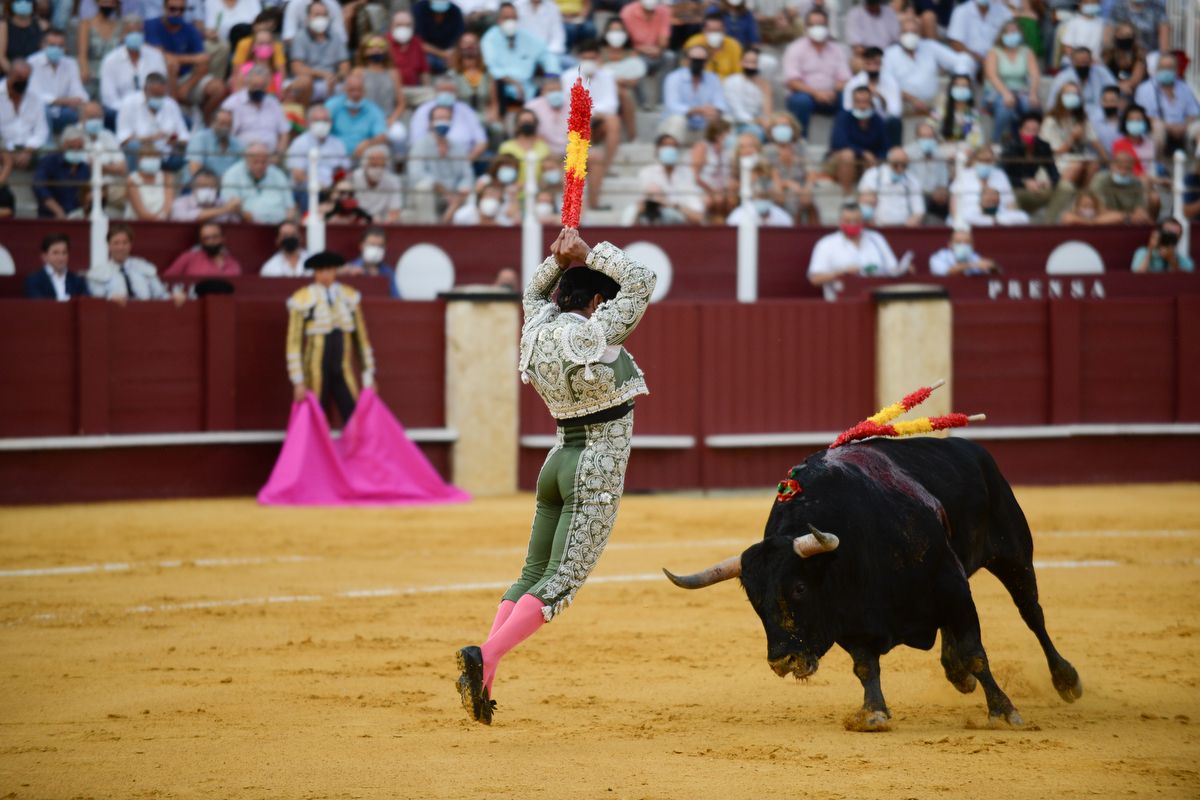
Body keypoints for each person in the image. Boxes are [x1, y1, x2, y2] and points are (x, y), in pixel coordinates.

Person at [455, 227, 655, 725]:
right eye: (598, 301)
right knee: (560, 580)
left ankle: (485, 677)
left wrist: (555, 258)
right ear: (591, 302)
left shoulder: (536, 329)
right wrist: (588, 253)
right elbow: (642, 282)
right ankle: (488, 655)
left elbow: (531, 293)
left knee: (531, 573)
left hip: (558, 460)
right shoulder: (590, 332)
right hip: (595, 468)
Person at [285, 250, 376, 426]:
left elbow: (362, 339)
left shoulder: (350, 296)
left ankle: (356, 453)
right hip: (314, 370)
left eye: (329, 270)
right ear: (315, 273)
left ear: (335, 271)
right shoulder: (302, 299)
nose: (325, 275)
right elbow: (293, 343)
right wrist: (298, 381)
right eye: (320, 271)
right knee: (313, 416)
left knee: (354, 414)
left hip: (342, 368)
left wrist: (368, 374)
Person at [146, 0, 224, 121]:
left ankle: (206, 120)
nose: (177, 13)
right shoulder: (152, 25)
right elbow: (159, 55)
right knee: (172, 65)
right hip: (158, 76)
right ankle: (173, 116)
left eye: (181, 10)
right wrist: (191, 59)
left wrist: (186, 87)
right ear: (164, 8)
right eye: (173, 9)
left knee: (218, 88)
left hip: (186, 78)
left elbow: (203, 60)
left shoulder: (190, 29)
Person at [882, 16, 970, 117]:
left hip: (932, 100)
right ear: (899, 34)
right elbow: (888, 84)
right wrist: (912, 99)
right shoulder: (890, 54)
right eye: (906, 32)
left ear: (920, 34)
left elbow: (959, 61)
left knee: (951, 100)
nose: (910, 35)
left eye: (914, 32)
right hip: (905, 102)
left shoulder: (930, 46)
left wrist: (959, 82)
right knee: (893, 106)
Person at [781, 7, 849, 137]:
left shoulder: (837, 49)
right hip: (805, 95)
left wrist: (832, 91)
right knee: (801, 101)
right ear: (806, 27)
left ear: (827, 26)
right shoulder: (795, 48)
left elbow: (845, 79)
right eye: (813, 25)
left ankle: (840, 145)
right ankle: (800, 143)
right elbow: (792, 81)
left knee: (848, 99)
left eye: (821, 24)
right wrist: (816, 93)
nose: (817, 28)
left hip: (831, 95)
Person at [480, 2, 559, 113]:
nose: (510, 21)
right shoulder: (489, 38)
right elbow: (492, 68)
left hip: (528, 87)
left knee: (550, 89)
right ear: (498, 20)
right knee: (496, 84)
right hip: (503, 86)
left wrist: (552, 78)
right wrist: (514, 83)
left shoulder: (527, 37)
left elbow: (547, 57)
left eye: (513, 18)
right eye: (506, 18)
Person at [807, 204, 901, 286]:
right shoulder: (826, 244)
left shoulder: (876, 238)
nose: (852, 224)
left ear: (862, 221)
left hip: (878, 294)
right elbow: (815, 279)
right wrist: (843, 273)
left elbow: (893, 268)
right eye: (848, 221)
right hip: (842, 299)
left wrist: (902, 269)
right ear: (840, 221)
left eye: (856, 221)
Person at [408, 102, 473, 220]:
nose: (443, 122)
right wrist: (443, 190)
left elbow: (467, 175)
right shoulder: (420, 146)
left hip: (455, 196)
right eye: (439, 118)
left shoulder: (458, 147)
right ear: (430, 122)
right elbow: (416, 174)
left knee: (471, 190)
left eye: (447, 118)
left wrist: (460, 192)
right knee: (424, 187)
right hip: (434, 194)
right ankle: (429, 229)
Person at [982, 19, 1040, 145]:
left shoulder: (1027, 51)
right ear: (1002, 35)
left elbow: (1035, 75)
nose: (1012, 34)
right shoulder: (994, 52)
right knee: (1006, 107)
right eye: (1008, 32)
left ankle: (1028, 142)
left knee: (1029, 105)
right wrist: (1006, 93)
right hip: (997, 91)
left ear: (1020, 34)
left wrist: (1033, 93)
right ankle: (995, 141)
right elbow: (992, 76)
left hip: (1021, 90)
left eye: (1015, 31)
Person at [1002, 111, 1068, 220]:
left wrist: (1049, 182)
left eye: (1035, 130)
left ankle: (1049, 225)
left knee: (1066, 188)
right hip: (1016, 189)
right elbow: (1002, 177)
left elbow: (1054, 173)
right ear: (1020, 131)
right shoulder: (1010, 147)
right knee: (1011, 197)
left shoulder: (1043, 146)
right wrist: (1024, 182)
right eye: (1028, 130)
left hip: (1036, 189)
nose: (1032, 134)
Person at [1133, 52, 1199, 157]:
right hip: (1159, 128)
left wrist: (1183, 126)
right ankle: (1156, 166)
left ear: (1176, 70)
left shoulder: (1184, 87)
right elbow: (1143, 115)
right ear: (1157, 68)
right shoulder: (1145, 89)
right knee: (1158, 129)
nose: (1166, 70)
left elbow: (1193, 113)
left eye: (1170, 67)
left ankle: (1196, 166)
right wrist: (1169, 127)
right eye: (1163, 67)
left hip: (1182, 127)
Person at [660, 42, 728, 142]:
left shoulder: (713, 79)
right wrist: (697, 110)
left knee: (725, 119)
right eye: (694, 60)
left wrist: (715, 111)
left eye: (701, 61)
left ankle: (719, 154)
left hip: (703, 128)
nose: (697, 63)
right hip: (675, 129)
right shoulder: (674, 78)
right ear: (686, 60)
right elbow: (672, 106)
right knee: (678, 119)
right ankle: (670, 153)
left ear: (706, 62)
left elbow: (720, 102)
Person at [87, 224, 175, 301]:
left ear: (130, 245)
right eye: (116, 243)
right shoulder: (97, 273)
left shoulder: (143, 267)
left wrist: (173, 297)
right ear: (109, 245)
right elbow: (97, 301)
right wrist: (110, 299)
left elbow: (160, 295)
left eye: (125, 243)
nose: (120, 247)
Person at [99, 17, 169, 112]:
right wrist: (132, 110)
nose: (135, 36)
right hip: (121, 111)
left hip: (153, 109)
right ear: (122, 35)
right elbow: (109, 99)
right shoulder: (110, 60)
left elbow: (163, 89)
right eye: (130, 32)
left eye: (138, 32)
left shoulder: (156, 56)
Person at [828, 85, 888, 195]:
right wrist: (863, 153)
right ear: (853, 103)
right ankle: (848, 197)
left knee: (876, 160)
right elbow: (839, 142)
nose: (862, 106)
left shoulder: (878, 121)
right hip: (841, 160)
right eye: (858, 102)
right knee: (848, 154)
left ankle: (870, 197)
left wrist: (876, 159)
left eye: (865, 102)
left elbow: (884, 147)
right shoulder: (843, 117)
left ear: (871, 103)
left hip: (867, 163)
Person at [289, 0, 350, 106]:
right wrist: (322, 74)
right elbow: (297, 68)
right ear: (308, 17)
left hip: (332, 80)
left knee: (354, 83)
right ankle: (303, 118)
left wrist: (336, 77)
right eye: (317, 15)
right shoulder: (300, 37)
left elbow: (345, 65)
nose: (321, 18)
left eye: (324, 15)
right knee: (305, 82)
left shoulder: (335, 37)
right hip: (312, 80)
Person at [28, 27, 87, 134]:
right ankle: (47, 147)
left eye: (60, 46)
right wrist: (66, 101)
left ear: (65, 47)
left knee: (86, 109)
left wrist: (78, 100)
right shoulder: (32, 63)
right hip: (38, 113)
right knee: (42, 110)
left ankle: (80, 145)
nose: (56, 49)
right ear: (43, 45)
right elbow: (35, 96)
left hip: (64, 111)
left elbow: (79, 92)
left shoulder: (71, 63)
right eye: (52, 45)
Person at [220, 141, 295, 224]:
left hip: (279, 226)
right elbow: (231, 206)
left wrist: (287, 223)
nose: (260, 166)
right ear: (246, 160)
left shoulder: (278, 174)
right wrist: (252, 219)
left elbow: (290, 207)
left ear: (269, 160)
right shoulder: (232, 174)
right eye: (255, 162)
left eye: (263, 162)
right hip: (248, 226)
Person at [637, 133, 704, 224]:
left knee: (670, 214)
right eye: (666, 145)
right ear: (657, 149)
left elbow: (697, 214)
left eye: (673, 146)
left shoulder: (687, 174)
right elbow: (643, 205)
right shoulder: (647, 173)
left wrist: (671, 205)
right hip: (653, 219)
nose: (670, 149)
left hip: (681, 222)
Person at [840, 45, 900, 146]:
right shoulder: (853, 84)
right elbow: (847, 109)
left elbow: (895, 112)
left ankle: (893, 154)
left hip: (882, 123)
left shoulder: (891, 82)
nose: (872, 67)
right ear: (864, 64)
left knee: (894, 122)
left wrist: (880, 98)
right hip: (859, 122)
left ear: (881, 64)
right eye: (869, 63)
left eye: (876, 63)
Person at [222, 65, 289, 151]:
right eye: (255, 86)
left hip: (270, 157)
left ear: (267, 86)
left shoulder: (273, 103)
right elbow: (225, 135)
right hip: (241, 156)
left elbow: (284, 133)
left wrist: (278, 156)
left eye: (261, 87)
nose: (258, 90)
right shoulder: (233, 103)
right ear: (247, 83)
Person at [285, 104, 350, 194]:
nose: (322, 124)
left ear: (331, 122)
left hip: (332, 189)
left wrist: (334, 187)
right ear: (308, 123)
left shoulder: (338, 143)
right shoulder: (299, 143)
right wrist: (319, 186)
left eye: (325, 120)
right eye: (317, 120)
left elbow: (344, 169)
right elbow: (298, 175)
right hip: (306, 190)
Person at [858, 146, 924, 226]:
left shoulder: (912, 180)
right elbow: (864, 203)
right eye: (896, 164)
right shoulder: (873, 175)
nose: (900, 168)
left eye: (904, 165)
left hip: (904, 229)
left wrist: (909, 226)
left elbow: (918, 211)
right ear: (888, 161)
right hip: (878, 226)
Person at [0, 59, 49, 168]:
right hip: (3, 149)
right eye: (19, 78)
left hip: (30, 149)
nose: (22, 82)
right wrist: (7, 152)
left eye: (26, 79)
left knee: (51, 157)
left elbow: (41, 131)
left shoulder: (35, 98)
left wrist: (28, 151)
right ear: (9, 74)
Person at [33, 125, 89, 218]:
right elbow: (39, 187)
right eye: (71, 147)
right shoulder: (49, 161)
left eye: (79, 148)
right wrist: (57, 210)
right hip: (50, 217)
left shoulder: (84, 167)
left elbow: (86, 195)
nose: (75, 151)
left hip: (76, 217)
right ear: (63, 146)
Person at [950, 145, 1016, 221]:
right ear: (974, 160)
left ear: (993, 161)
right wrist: (959, 224)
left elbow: (1010, 203)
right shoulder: (964, 175)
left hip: (998, 220)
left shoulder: (1000, 175)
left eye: (988, 161)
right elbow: (953, 205)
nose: (985, 163)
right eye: (981, 160)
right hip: (969, 220)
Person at [1088, 150, 1153, 224]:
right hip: (1104, 219)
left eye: (1127, 168)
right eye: (1120, 167)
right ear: (1112, 166)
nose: (1124, 172)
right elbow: (1101, 211)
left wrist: (1140, 216)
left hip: (1128, 220)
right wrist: (1126, 217)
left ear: (1132, 168)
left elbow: (1140, 209)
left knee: (1146, 218)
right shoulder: (1100, 180)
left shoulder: (1136, 184)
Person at [906, 122, 950, 223]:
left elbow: (943, 181)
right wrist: (929, 193)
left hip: (937, 195)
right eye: (924, 137)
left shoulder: (939, 154)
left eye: (930, 137)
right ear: (917, 137)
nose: (927, 140)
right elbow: (908, 181)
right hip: (917, 193)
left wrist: (941, 191)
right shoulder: (908, 153)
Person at [1047, 47, 1115, 112]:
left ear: (1091, 60)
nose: (1082, 65)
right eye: (1079, 62)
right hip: (1073, 115)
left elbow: (1115, 89)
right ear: (1073, 62)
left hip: (1100, 115)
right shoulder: (1062, 78)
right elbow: (1052, 103)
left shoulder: (1101, 72)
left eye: (1085, 62)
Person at [24, 233, 89, 300]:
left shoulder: (77, 280)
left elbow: (87, 303)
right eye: (55, 253)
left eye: (64, 252)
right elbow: (38, 305)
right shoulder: (34, 280)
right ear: (44, 256)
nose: (61, 257)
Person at [163, 222, 242, 276]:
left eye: (215, 237)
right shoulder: (188, 257)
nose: (211, 241)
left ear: (222, 238)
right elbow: (167, 279)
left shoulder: (233, 264)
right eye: (206, 238)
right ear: (201, 242)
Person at [947, 0, 1012, 66]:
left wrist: (992, 59)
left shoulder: (1003, 11)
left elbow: (1012, 33)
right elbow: (955, 43)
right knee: (963, 61)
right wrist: (980, 59)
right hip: (971, 58)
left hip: (997, 58)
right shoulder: (961, 11)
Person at [691, 117, 731, 221]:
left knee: (730, 200)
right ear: (718, 135)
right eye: (728, 133)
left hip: (721, 190)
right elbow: (695, 176)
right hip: (701, 189)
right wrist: (712, 191)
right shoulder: (702, 147)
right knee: (712, 200)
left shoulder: (726, 151)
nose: (730, 136)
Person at [186, 107, 245, 178]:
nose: (226, 128)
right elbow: (195, 170)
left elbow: (243, 170)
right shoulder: (200, 138)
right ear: (213, 123)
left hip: (229, 186)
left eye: (229, 125)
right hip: (199, 185)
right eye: (222, 124)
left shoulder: (237, 144)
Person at [351, 144, 403, 223]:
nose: (377, 169)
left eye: (381, 166)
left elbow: (395, 212)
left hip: (382, 223)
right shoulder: (354, 178)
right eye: (373, 165)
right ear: (364, 165)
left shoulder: (393, 181)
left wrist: (381, 224)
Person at [342, 226, 398, 297]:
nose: (376, 249)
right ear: (361, 246)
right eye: (372, 245)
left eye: (380, 246)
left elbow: (397, 300)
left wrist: (378, 279)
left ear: (385, 248)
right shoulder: (349, 269)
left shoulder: (388, 272)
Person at [170, 166, 241, 221]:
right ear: (193, 187)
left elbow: (236, 221)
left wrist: (238, 211)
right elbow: (185, 217)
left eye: (211, 187)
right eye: (202, 186)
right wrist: (224, 210)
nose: (207, 190)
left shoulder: (222, 202)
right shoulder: (181, 202)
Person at [682, 12, 742, 78]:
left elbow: (738, 73)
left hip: (726, 85)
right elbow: (685, 70)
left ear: (724, 30)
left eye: (718, 30)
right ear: (704, 30)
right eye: (710, 30)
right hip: (701, 84)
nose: (714, 33)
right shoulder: (694, 43)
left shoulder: (733, 45)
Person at [125, 142, 175, 220]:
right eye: (148, 157)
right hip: (138, 225)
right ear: (139, 161)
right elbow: (141, 213)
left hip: (162, 225)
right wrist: (158, 219)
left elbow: (168, 207)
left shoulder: (167, 177)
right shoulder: (132, 180)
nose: (152, 160)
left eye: (154, 157)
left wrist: (160, 219)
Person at [413, 0, 465, 74]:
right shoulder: (419, 9)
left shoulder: (456, 11)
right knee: (428, 61)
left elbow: (460, 38)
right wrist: (442, 54)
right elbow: (417, 41)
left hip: (450, 53)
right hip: (427, 53)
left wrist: (453, 54)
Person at [934, 73, 983, 150]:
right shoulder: (942, 109)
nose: (961, 89)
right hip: (944, 147)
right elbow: (930, 126)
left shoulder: (971, 113)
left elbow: (975, 135)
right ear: (951, 88)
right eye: (958, 86)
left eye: (964, 86)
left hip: (965, 148)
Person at [928, 226, 998, 276]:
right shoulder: (939, 257)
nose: (963, 245)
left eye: (967, 242)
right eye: (958, 242)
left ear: (972, 245)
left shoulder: (974, 256)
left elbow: (991, 270)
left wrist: (992, 266)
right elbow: (946, 272)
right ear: (950, 244)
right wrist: (972, 265)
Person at [1105, 21, 1146, 100]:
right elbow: (1104, 75)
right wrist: (1118, 86)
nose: (1124, 38)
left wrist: (1121, 86)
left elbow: (1134, 81)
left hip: (1132, 93)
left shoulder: (1138, 56)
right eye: (1122, 34)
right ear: (1116, 35)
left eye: (1128, 35)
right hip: (1112, 92)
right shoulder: (1108, 54)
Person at [963, 185, 1030, 226]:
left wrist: (997, 219)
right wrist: (993, 220)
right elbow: (968, 218)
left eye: (994, 199)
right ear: (981, 201)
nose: (991, 199)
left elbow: (1024, 218)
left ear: (999, 200)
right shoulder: (973, 211)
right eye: (988, 200)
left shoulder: (1004, 211)